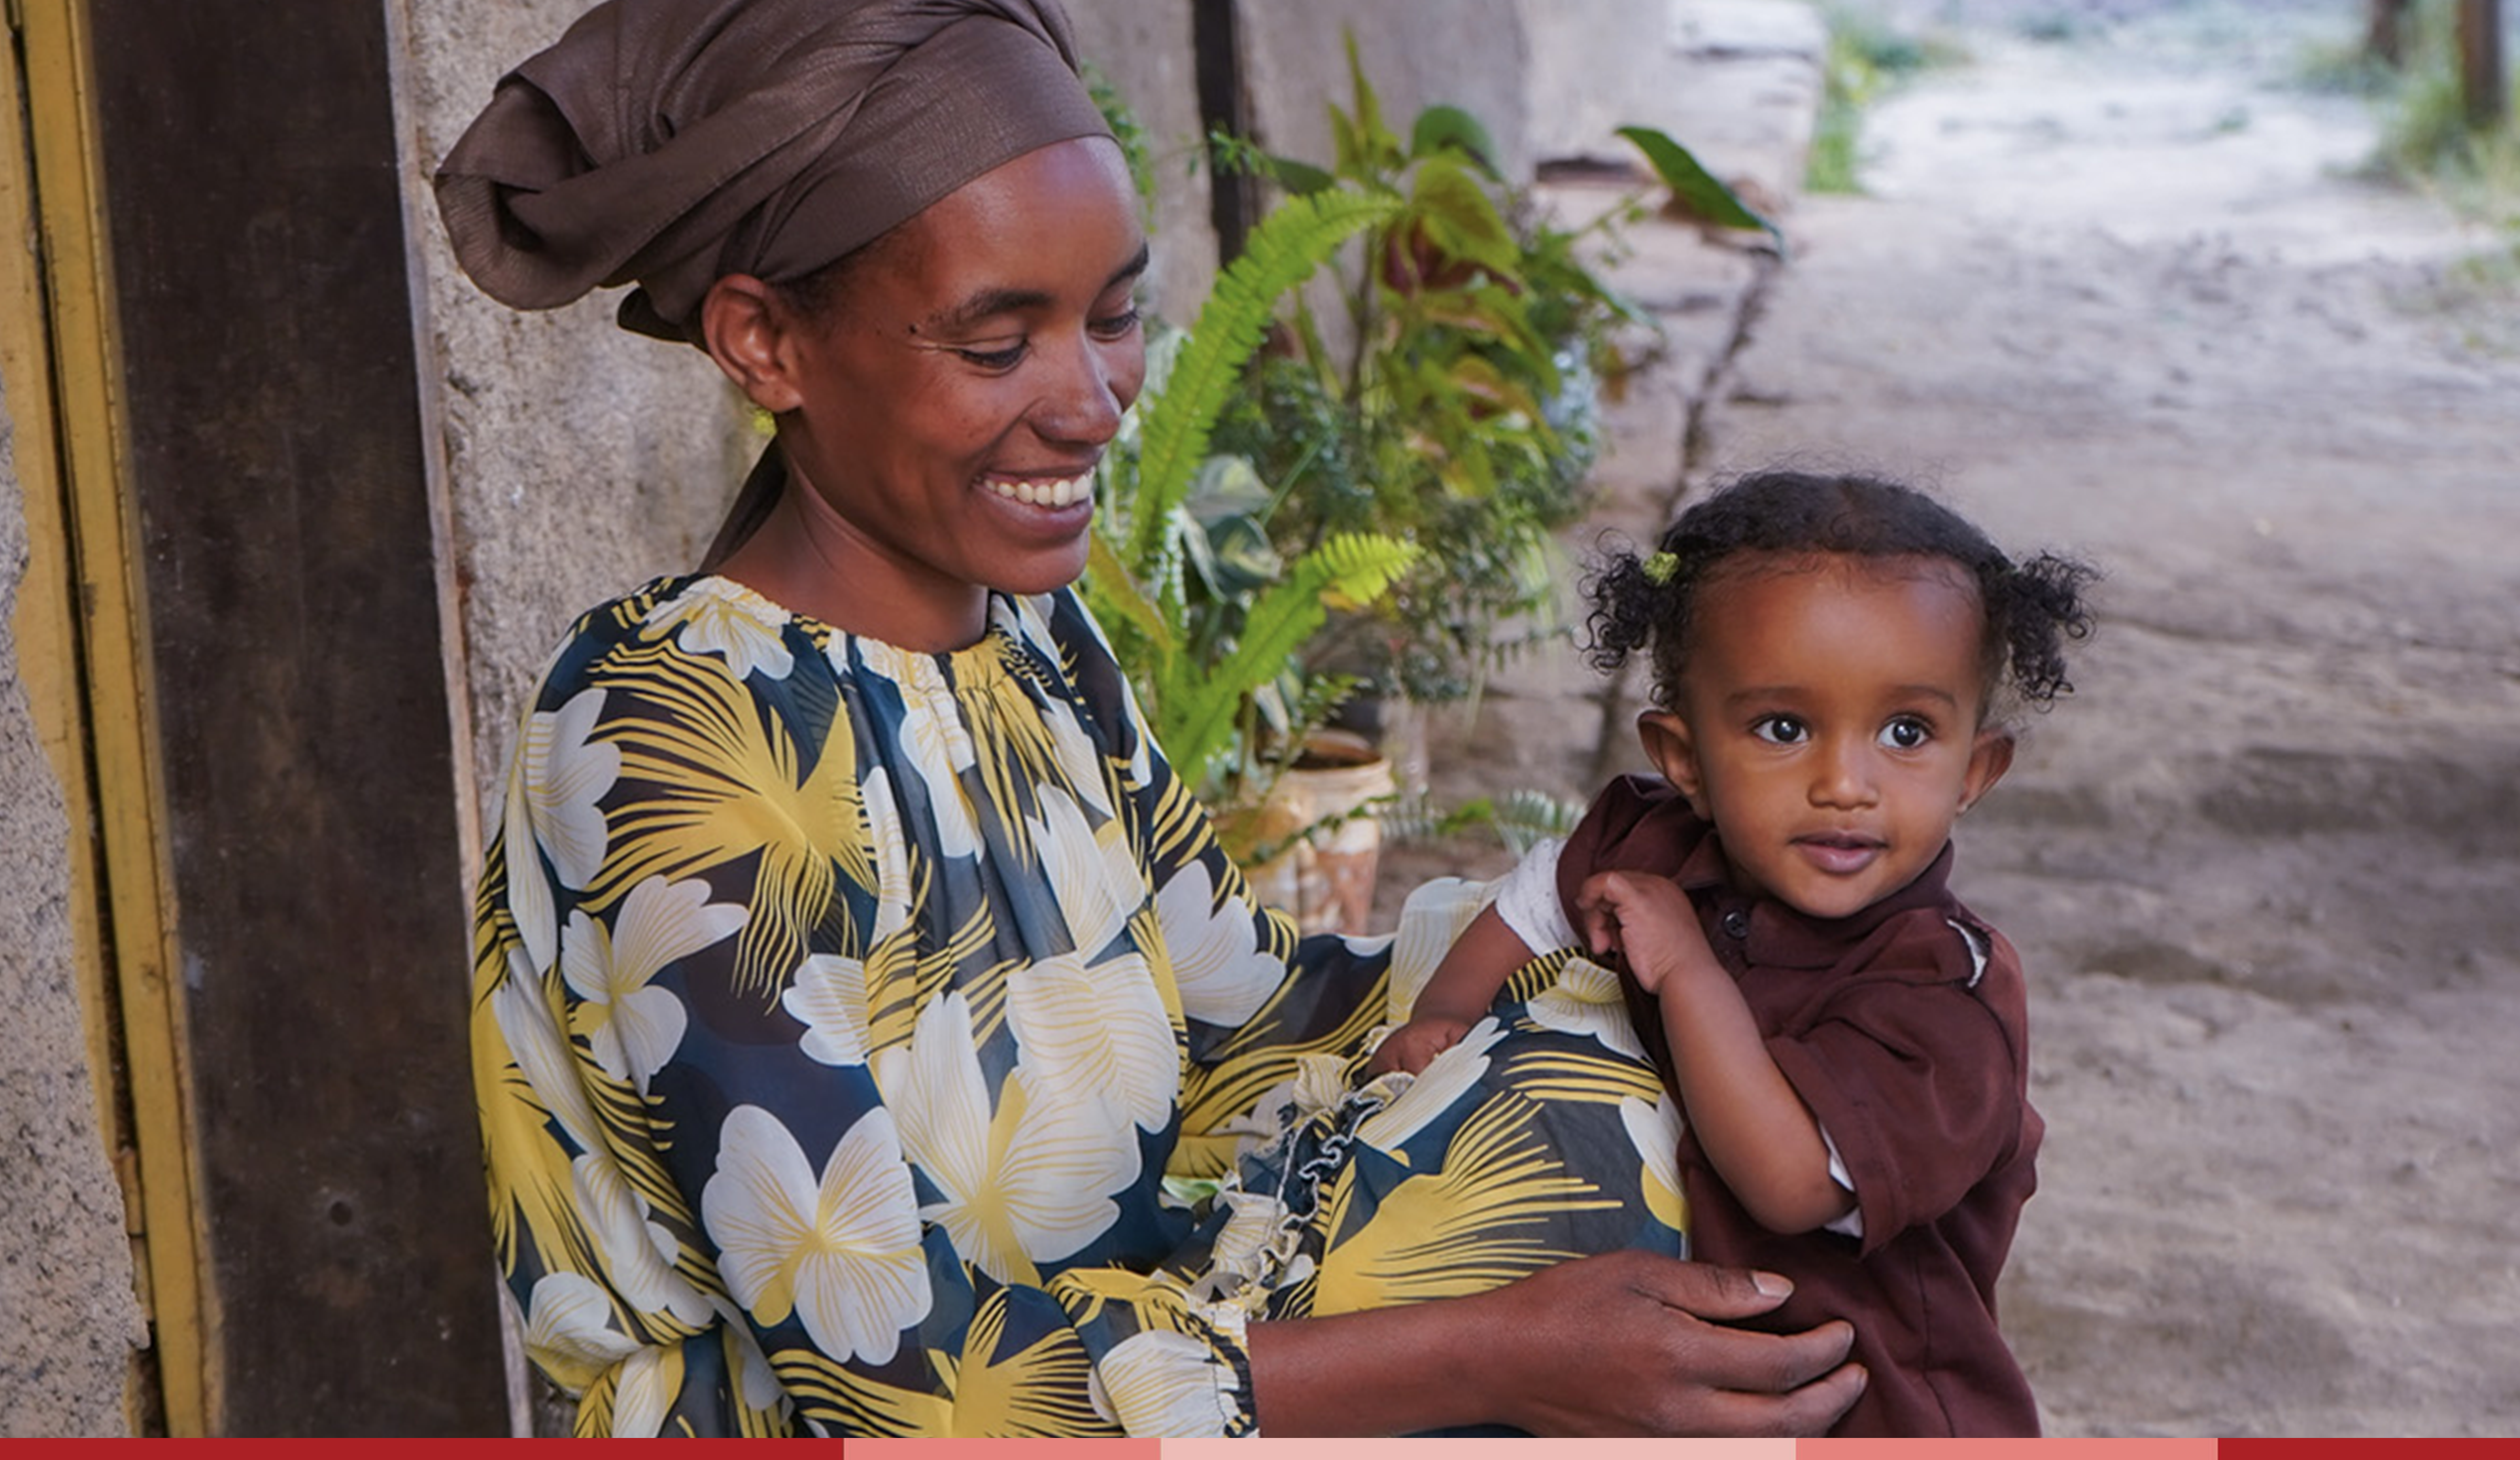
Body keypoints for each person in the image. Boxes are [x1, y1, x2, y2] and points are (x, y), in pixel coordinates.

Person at [433, 0, 1864, 1437]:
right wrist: (1487, 1353)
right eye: (999, 344)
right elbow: (896, 1383)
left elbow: (1241, 1012)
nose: (1096, 402)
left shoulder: (1031, 637)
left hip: (1126, 1375)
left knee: (1643, 1080)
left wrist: (1677, 935)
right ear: (765, 343)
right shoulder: (673, 737)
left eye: (1113, 316)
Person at [1371, 470, 2096, 1435]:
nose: (1845, 783)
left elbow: (1790, 1183)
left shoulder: (1947, 997)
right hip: (1652, 1378)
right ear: (1684, 760)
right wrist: (1442, 1018)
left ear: (1976, 770)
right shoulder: (1650, 838)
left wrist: (1686, 970)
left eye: (1906, 732)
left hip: (1859, 1407)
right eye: (1783, 729)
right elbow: (1535, 904)